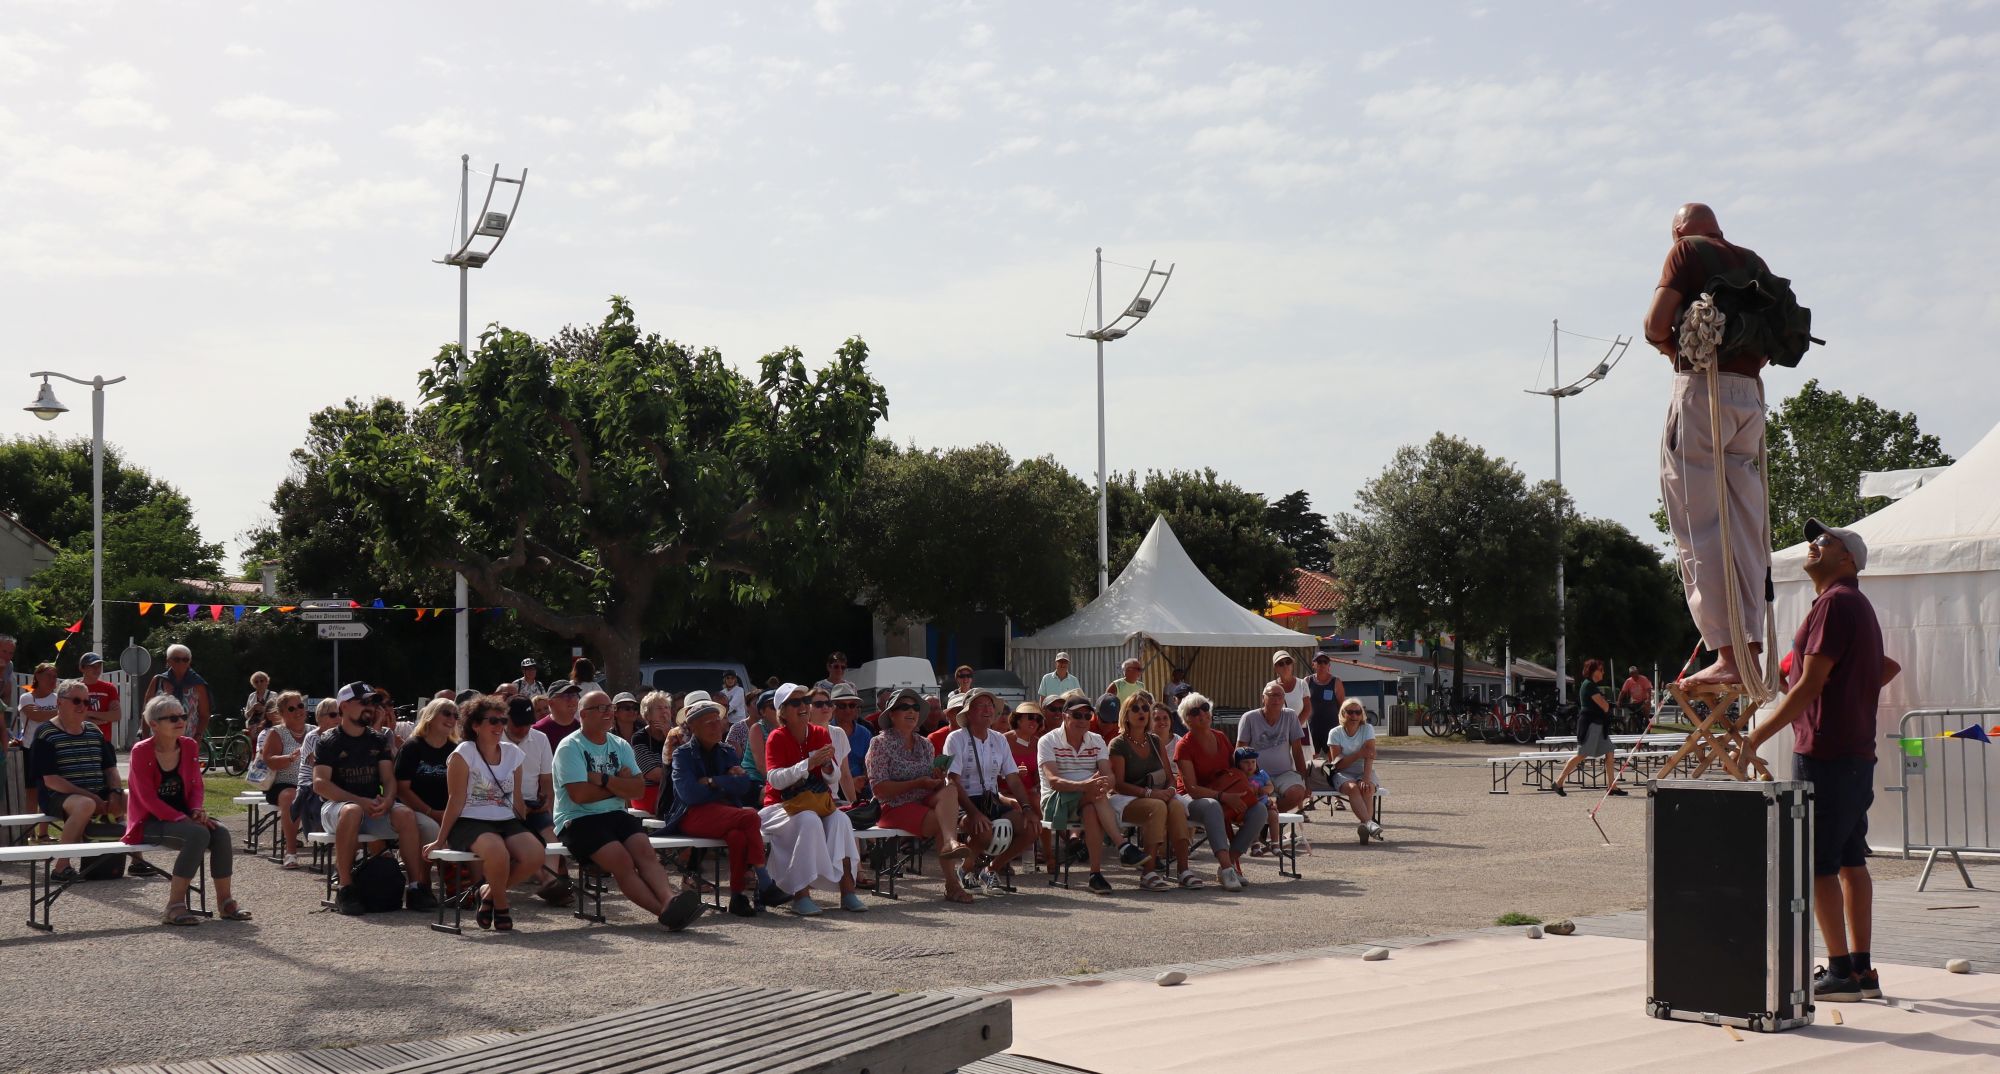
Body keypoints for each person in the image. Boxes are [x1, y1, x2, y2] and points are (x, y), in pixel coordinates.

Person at [1743, 519, 1899, 1002]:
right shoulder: (1856, 605)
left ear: (1847, 559)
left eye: (1824, 541)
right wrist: (1852, 693)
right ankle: (1862, 971)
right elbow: (1885, 667)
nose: (1814, 545)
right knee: (1851, 858)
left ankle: (1838, 974)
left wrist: (1755, 739)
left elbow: (1810, 684)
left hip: (1827, 753)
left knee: (1818, 865)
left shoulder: (1834, 603)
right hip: (1853, 754)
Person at [1645, 202, 1777, 687]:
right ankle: (1751, 652)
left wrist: (1671, 348)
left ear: (1679, 232)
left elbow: (1656, 326)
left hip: (1703, 390)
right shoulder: (1753, 261)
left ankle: (1726, 655)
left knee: (1698, 524)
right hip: (1749, 399)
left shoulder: (1686, 254)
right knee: (1744, 528)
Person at [553, 688, 704, 930]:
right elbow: (579, 795)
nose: (608, 712)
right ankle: (665, 911)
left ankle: (669, 899)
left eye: (609, 708)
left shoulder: (619, 744)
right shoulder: (570, 747)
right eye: (601, 708)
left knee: (645, 853)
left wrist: (603, 780)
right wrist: (619, 785)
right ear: (583, 714)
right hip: (578, 819)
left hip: (614, 814)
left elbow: (637, 790)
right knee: (622, 861)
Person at [125, 695, 252, 925]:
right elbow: (146, 798)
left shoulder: (189, 745)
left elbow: (196, 785)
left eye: (183, 716)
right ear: (154, 724)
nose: (180, 721)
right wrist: (182, 818)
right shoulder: (141, 751)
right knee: (198, 833)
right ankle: (174, 906)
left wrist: (195, 810)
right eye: (172, 718)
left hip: (183, 819)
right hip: (149, 821)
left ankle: (225, 902)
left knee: (221, 832)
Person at [313, 681, 435, 915]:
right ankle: (345, 888)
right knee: (351, 811)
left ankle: (415, 887)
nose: (371, 707)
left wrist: (388, 800)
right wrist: (359, 801)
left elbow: (389, 779)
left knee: (405, 814)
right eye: (364, 702)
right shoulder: (329, 740)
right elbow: (320, 784)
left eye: (373, 702)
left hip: (371, 806)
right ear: (345, 706)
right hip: (336, 808)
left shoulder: (377, 740)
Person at [425, 695, 544, 931]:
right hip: (470, 822)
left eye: (503, 720)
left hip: (506, 821)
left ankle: (487, 892)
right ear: (476, 725)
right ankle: (501, 905)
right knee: (497, 852)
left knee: (535, 855)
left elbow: (517, 798)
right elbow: (455, 799)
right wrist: (440, 839)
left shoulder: (513, 754)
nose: (500, 726)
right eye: (493, 721)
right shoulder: (464, 753)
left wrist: (524, 827)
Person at [665, 695, 781, 917]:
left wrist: (712, 781)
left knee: (738, 836)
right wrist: (726, 782)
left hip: (724, 814)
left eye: (718, 720)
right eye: (709, 722)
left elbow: (744, 785)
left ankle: (737, 897)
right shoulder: (682, 754)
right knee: (750, 817)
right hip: (692, 815)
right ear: (693, 727)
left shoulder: (726, 751)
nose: (716, 725)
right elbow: (689, 794)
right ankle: (765, 882)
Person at [760, 683, 865, 914]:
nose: (804, 707)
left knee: (841, 821)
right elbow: (775, 780)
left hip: (815, 803)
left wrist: (827, 765)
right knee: (808, 820)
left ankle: (848, 891)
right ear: (782, 712)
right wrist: (808, 764)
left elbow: (834, 776)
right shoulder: (776, 737)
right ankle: (800, 895)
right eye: (795, 703)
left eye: (805, 701)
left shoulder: (819, 733)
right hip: (779, 807)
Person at [866, 688, 976, 903]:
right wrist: (918, 782)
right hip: (894, 806)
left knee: (950, 789)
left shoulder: (925, 744)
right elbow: (879, 789)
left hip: (924, 800)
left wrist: (937, 779)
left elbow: (934, 787)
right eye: (904, 707)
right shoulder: (879, 743)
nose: (912, 711)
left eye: (915, 707)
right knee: (944, 821)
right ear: (891, 714)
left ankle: (951, 843)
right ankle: (952, 884)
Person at [32, 679, 130, 883]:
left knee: (132, 798)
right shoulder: (46, 733)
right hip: (59, 796)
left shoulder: (95, 731)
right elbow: (51, 780)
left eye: (87, 702)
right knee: (85, 804)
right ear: (59, 702)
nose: (83, 706)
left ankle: (138, 859)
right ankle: (61, 866)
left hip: (97, 793)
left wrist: (115, 793)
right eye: (77, 701)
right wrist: (92, 797)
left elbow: (111, 769)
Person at [943, 688, 1040, 893]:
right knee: (984, 830)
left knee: (1032, 827)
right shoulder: (956, 738)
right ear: (968, 712)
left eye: (991, 705)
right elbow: (953, 781)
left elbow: (1013, 779)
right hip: (964, 801)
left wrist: (1027, 808)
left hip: (991, 799)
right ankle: (966, 869)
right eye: (981, 705)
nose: (988, 710)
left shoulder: (999, 739)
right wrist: (974, 813)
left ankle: (991, 869)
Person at [1109, 692, 1200, 890]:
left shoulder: (1155, 741)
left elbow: (1170, 776)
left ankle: (1183, 870)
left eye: (1144, 708)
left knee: (1175, 805)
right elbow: (1118, 785)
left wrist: (1169, 789)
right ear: (1126, 715)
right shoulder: (1118, 744)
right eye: (1135, 708)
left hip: (1156, 796)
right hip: (1125, 799)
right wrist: (1151, 794)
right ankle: (1148, 872)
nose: (1141, 712)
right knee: (1158, 807)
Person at [1175, 692, 1261, 891]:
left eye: (1205, 708)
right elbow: (1193, 789)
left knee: (1260, 810)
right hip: (1192, 800)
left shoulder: (1221, 737)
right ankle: (1228, 869)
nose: (1202, 714)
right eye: (1195, 711)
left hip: (1223, 794)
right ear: (1186, 719)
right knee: (1212, 806)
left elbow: (1236, 773)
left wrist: (1257, 791)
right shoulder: (1184, 746)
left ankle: (1228, 863)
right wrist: (1224, 797)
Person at [1038, 696, 1122, 895]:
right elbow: (1054, 781)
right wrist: (1085, 785)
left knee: (1092, 806)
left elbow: (1109, 775)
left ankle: (1095, 874)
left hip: (1089, 800)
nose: (1083, 719)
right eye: (1077, 714)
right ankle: (1122, 844)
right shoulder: (1047, 740)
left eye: (1087, 715)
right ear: (1065, 716)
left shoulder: (1097, 740)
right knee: (1095, 796)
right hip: (1055, 801)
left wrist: (1103, 784)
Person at [1235, 681, 1311, 850]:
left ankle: (1263, 824)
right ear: (1263, 698)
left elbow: (1297, 751)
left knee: (1298, 792)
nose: (1276, 699)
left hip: (1284, 773)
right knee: (1252, 798)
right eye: (1271, 695)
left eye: (1279, 695)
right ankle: (1263, 825)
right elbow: (1239, 751)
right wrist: (1242, 780)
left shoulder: (1290, 716)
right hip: (1256, 775)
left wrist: (1305, 780)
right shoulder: (1249, 718)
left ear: (1284, 699)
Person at [1551, 659, 1622, 797]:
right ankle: (1558, 782)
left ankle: (1611, 786)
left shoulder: (1591, 685)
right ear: (1593, 671)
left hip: (1598, 725)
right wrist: (1608, 704)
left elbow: (1603, 705)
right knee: (1582, 754)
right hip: (1591, 725)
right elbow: (1604, 706)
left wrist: (1607, 705)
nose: (1603, 672)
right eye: (1600, 670)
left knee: (1610, 751)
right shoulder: (1589, 685)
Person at [394, 698, 460, 842]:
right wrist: (432, 813)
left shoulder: (456, 750)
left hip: (447, 812)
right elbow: (402, 789)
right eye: (446, 713)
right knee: (431, 828)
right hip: (414, 810)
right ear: (431, 715)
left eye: (456, 716)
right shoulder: (412, 747)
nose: (452, 719)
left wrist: (447, 814)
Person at [258, 690, 310, 868]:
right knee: (291, 795)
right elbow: (269, 761)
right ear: (282, 713)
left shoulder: (314, 731)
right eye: (292, 708)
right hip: (282, 785)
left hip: (310, 783)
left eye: (300, 706)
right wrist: (289, 758)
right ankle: (291, 851)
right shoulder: (276, 732)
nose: (298, 711)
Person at [1327, 699, 1384, 839]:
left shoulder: (1367, 729)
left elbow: (1370, 755)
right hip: (1341, 772)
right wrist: (1358, 754)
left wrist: (1366, 778)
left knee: (1367, 787)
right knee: (1353, 788)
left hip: (1363, 770)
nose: (1354, 716)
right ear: (1343, 714)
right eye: (1350, 712)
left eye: (1358, 712)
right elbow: (1338, 764)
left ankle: (1366, 827)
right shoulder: (1335, 733)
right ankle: (1369, 824)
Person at [144, 644, 212, 743]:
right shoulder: (158, 681)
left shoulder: (198, 684)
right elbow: (146, 711)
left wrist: (198, 736)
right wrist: (145, 737)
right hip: (158, 741)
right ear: (168, 661)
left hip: (187, 740)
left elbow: (204, 715)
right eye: (177, 659)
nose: (181, 663)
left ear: (190, 661)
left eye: (185, 659)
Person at [630, 691, 671, 814]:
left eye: (667, 708)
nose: (665, 712)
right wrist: (681, 776)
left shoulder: (676, 734)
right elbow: (653, 774)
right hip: (648, 792)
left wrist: (668, 736)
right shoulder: (639, 738)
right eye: (659, 708)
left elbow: (688, 764)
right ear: (648, 715)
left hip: (674, 789)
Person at [1304, 653, 1347, 761]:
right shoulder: (1307, 681)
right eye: (1319, 662)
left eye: (1325, 662)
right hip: (1312, 728)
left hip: (1331, 728)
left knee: (1334, 762)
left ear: (1329, 666)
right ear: (1313, 665)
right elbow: (1302, 705)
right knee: (1311, 763)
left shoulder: (1336, 682)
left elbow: (1342, 706)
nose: (1322, 664)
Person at [829, 683, 872, 789]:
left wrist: (863, 780)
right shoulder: (824, 732)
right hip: (832, 789)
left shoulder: (865, 733)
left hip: (862, 788)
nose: (848, 710)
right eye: (842, 706)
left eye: (852, 705)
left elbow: (871, 763)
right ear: (833, 708)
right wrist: (849, 783)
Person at [78, 652, 120, 742]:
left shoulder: (109, 688)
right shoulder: (75, 689)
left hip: (104, 741)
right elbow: (74, 716)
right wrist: (103, 719)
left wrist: (89, 713)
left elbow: (116, 715)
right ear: (82, 668)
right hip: (81, 740)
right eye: (92, 666)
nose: (96, 669)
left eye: (99, 666)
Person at [533, 680, 582, 747]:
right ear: (550, 703)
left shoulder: (582, 728)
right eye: (565, 695)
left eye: (574, 694)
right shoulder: (537, 731)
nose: (572, 699)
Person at [1269, 651, 1309, 731]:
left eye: (1288, 662)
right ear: (1275, 668)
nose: (1285, 666)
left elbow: (1307, 709)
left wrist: (1295, 728)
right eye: (1281, 664)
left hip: (1300, 731)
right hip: (1279, 733)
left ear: (1292, 665)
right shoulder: (1270, 687)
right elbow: (1268, 711)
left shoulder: (1302, 684)